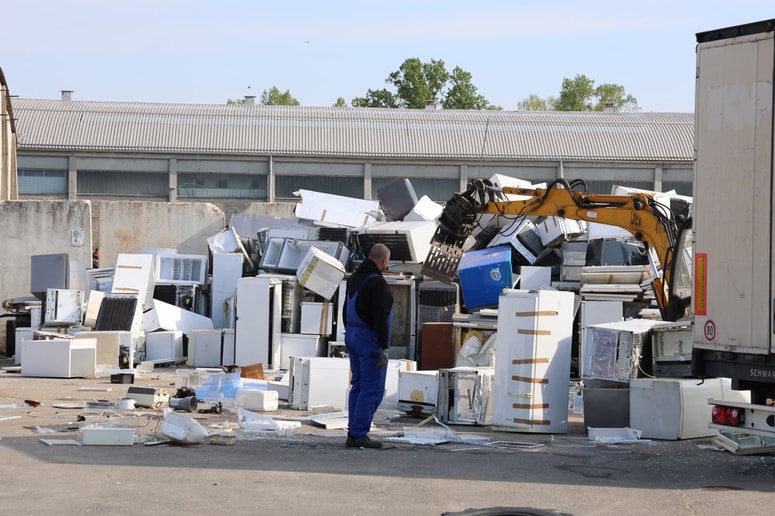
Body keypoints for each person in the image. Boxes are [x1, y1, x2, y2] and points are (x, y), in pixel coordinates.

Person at [343, 242, 393, 449]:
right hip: (368, 338)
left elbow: (346, 307)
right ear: (384, 261)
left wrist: (349, 332)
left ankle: (353, 430)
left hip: (353, 334)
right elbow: (380, 317)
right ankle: (358, 433)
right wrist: (383, 345)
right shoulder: (377, 283)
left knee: (358, 385)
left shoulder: (355, 278)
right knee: (371, 389)